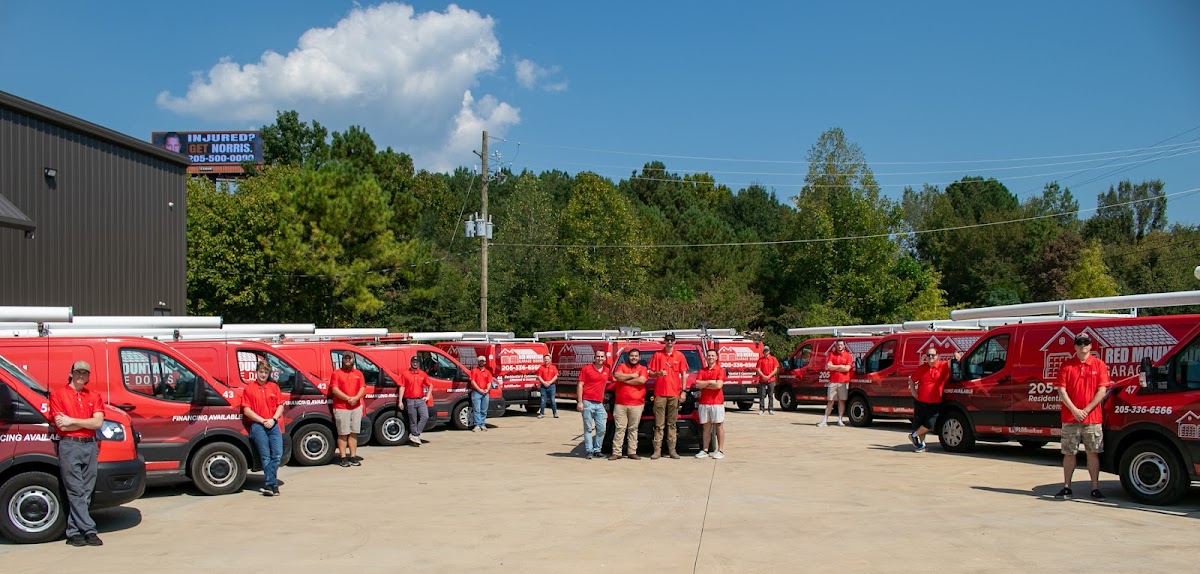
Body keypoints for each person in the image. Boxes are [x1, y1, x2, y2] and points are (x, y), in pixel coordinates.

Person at [49, 361, 105, 546]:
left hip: (90, 446)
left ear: (88, 376)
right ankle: (89, 530)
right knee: (76, 490)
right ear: (71, 373)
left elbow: (97, 423)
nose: (81, 375)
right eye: (78, 372)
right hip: (70, 446)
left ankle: (73, 532)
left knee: (86, 492)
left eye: (85, 373)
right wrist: (85, 421)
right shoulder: (58, 395)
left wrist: (73, 420)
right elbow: (61, 424)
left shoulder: (94, 396)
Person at [1054, 335, 1111, 500]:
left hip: (1092, 418)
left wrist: (1085, 410)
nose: (1082, 346)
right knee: (1069, 452)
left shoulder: (1099, 365)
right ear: (1074, 347)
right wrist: (1074, 410)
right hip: (1071, 418)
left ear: (1091, 346)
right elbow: (1061, 390)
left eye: (1086, 343)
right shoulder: (1066, 365)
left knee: (1092, 452)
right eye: (1079, 343)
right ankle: (1066, 487)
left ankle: (1095, 488)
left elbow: (1102, 390)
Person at [907, 349, 960, 452]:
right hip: (920, 401)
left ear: (937, 356)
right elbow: (912, 380)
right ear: (926, 357)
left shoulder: (942, 366)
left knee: (929, 425)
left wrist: (955, 355)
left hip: (935, 402)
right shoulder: (922, 368)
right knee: (920, 424)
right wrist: (913, 392)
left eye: (933, 355)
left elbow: (954, 360)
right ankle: (921, 445)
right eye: (928, 355)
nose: (931, 357)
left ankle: (913, 435)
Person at [243, 361, 284, 495]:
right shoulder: (249, 388)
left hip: (273, 424)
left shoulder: (274, 387)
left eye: (266, 373)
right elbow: (247, 410)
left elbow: (280, 405)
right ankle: (272, 485)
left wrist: (273, 419)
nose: (263, 375)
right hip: (258, 425)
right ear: (257, 372)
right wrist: (262, 420)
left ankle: (270, 484)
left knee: (277, 455)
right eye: (261, 372)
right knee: (265, 456)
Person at [648, 333, 689, 460]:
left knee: (672, 424)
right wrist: (658, 373)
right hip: (660, 394)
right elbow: (649, 372)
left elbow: (683, 374)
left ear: (675, 342)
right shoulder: (657, 355)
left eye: (671, 340)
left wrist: (683, 391)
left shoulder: (679, 355)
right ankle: (657, 450)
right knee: (659, 424)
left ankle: (672, 450)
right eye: (667, 340)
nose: (669, 342)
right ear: (664, 341)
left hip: (674, 394)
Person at [609, 349, 649, 460]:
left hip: (637, 404)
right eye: (632, 355)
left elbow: (641, 381)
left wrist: (624, 379)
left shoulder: (643, 369)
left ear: (639, 358)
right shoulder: (621, 366)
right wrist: (633, 375)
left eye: (636, 356)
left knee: (633, 428)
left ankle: (632, 452)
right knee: (620, 428)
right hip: (620, 403)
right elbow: (617, 375)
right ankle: (616, 452)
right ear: (628, 357)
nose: (634, 358)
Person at [330, 353, 366, 467]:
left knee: (354, 433)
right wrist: (348, 398)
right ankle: (343, 457)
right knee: (343, 433)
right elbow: (334, 389)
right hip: (341, 408)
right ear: (342, 360)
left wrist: (356, 398)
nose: (347, 360)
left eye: (349, 358)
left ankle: (353, 456)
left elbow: (362, 388)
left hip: (356, 407)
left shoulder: (358, 374)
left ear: (353, 360)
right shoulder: (336, 373)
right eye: (345, 358)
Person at [576, 350, 609, 460]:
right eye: (598, 356)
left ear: (605, 358)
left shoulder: (606, 370)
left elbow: (615, 380)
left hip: (599, 403)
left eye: (602, 356)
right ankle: (589, 450)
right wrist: (580, 402)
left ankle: (597, 449)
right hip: (587, 402)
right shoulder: (587, 369)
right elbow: (580, 385)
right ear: (594, 358)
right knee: (588, 428)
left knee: (602, 429)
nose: (600, 358)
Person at [695, 349, 727, 459]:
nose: (710, 357)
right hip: (704, 402)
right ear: (705, 357)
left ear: (716, 357)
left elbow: (718, 385)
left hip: (717, 402)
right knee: (706, 426)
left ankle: (720, 450)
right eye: (709, 355)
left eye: (713, 355)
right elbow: (698, 384)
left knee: (719, 426)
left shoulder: (720, 370)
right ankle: (705, 450)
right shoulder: (702, 370)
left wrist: (705, 384)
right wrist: (710, 382)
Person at [818, 339, 853, 427]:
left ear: (844, 345)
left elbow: (847, 369)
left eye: (841, 345)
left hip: (843, 382)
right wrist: (840, 366)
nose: (839, 346)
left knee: (841, 401)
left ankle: (840, 420)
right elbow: (828, 366)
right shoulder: (832, 354)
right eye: (838, 345)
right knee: (830, 400)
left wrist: (835, 367)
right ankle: (824, 420)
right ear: (835, 346)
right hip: (833, 381)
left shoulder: (848, 355)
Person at [399, 356, 432, 446]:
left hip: (420, 400)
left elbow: (430, 385)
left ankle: (415, 434)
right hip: (409, 400)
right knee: (413, 420)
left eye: (416, 362)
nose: (415, 363)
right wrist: (400, 401)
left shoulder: (422, 374)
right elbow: (402, 387)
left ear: (419, 363)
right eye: (413, 362)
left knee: (425, 416)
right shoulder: (405, 373)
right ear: (411, 362)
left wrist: (427, 396)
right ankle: (415, 438)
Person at [469, 355, 496, 432]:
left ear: (485, 362)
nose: (481, 362)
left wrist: (487, 389)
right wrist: (479, 390)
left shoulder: (487, 372)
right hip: (476, 392)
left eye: (483, 361)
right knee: (476, 409)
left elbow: (489, 382)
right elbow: (472, 381)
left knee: (484, 410)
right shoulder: (474, 371)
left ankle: (482, 424)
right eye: (480, 361)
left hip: (485, 393)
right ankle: (477, 425)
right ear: (478, 362)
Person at [755, 345, 781, 415]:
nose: (766, 352)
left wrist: (769, 376)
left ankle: (770, 409)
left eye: (767, 351)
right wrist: (763, 376)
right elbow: (758, 369)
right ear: (763, 352)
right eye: (765, 351)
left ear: (769, 351)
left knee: (770, 395)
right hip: (762, 379)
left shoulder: (773, 359)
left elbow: (775, 369)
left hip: (771, 379)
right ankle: (761, 409)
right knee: (762, 395)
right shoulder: (760, 360)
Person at [536, 354, 559, 419]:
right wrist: (544, 382)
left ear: (550, 360)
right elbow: (539, 376)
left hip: (552, 386)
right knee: (543, 401)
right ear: (543, 360)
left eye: (547, 359)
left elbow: (556, 376)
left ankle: (555, 413)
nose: (546, 360)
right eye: (545, 359)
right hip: (543, 386)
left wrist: (550, 382)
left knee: (552, 400)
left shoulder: (553, 367)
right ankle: (541, 413)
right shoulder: (541, 367)